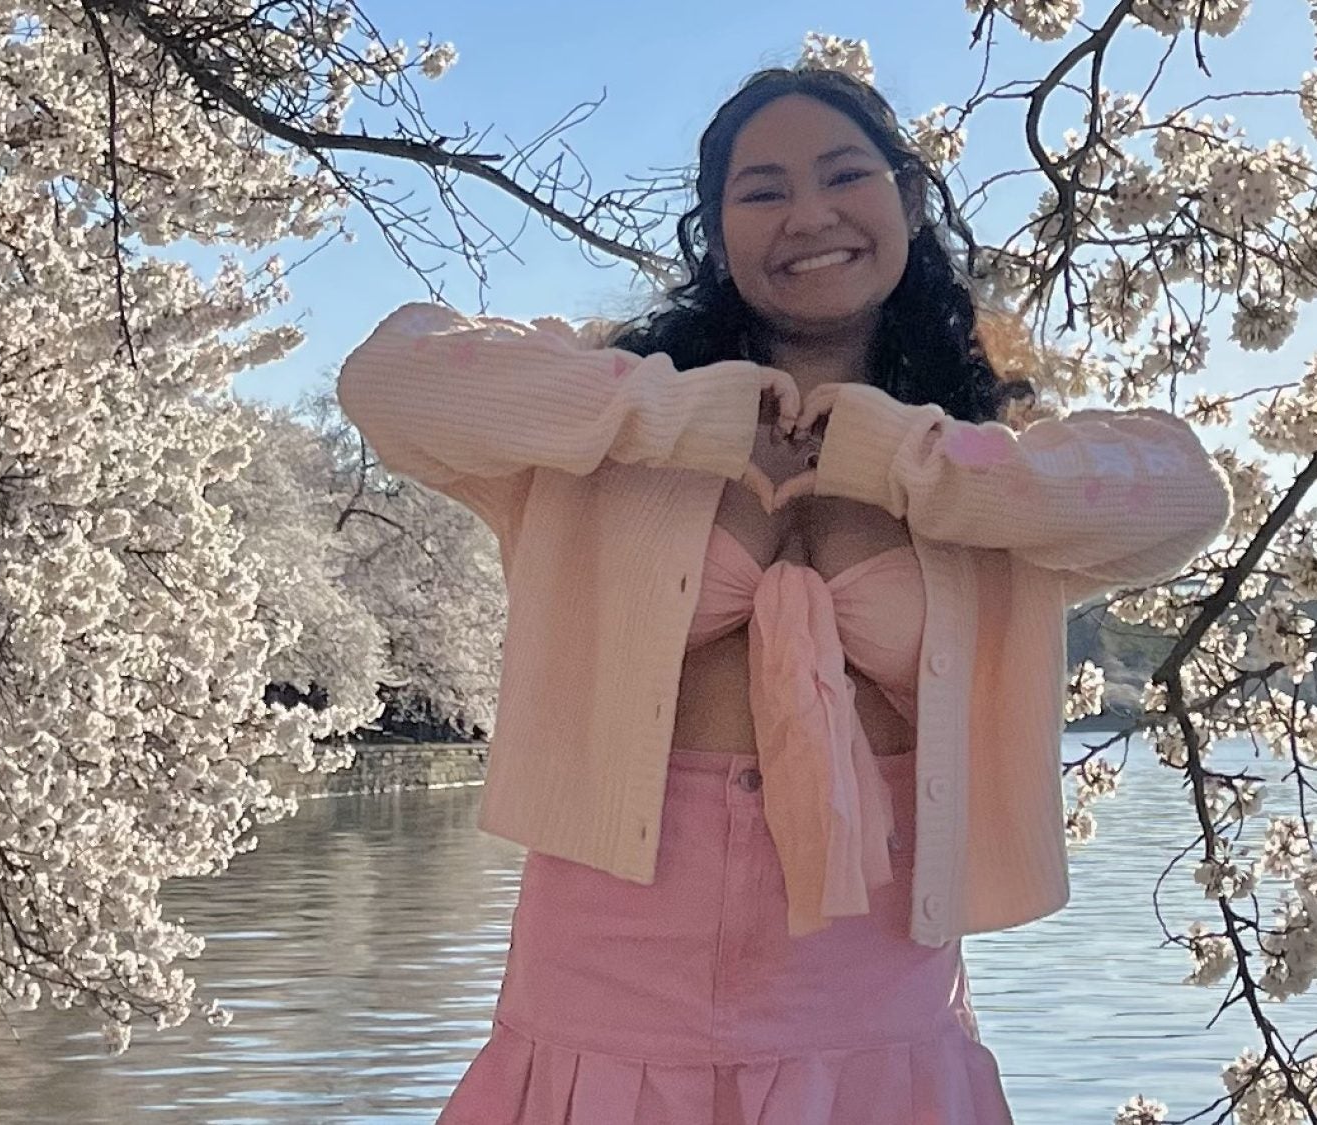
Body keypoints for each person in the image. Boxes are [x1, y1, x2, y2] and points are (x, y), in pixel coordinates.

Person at [338, 65, 1232, 1125]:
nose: (808, 215)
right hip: (602, 996)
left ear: (904, 199)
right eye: (760, 190)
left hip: (869, 1007)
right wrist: (677, 419)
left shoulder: (990, 463)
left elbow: (1183, 497)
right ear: (715, 234)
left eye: (843, 174)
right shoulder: (602, 425)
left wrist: (907, 460)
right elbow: (387, 377)